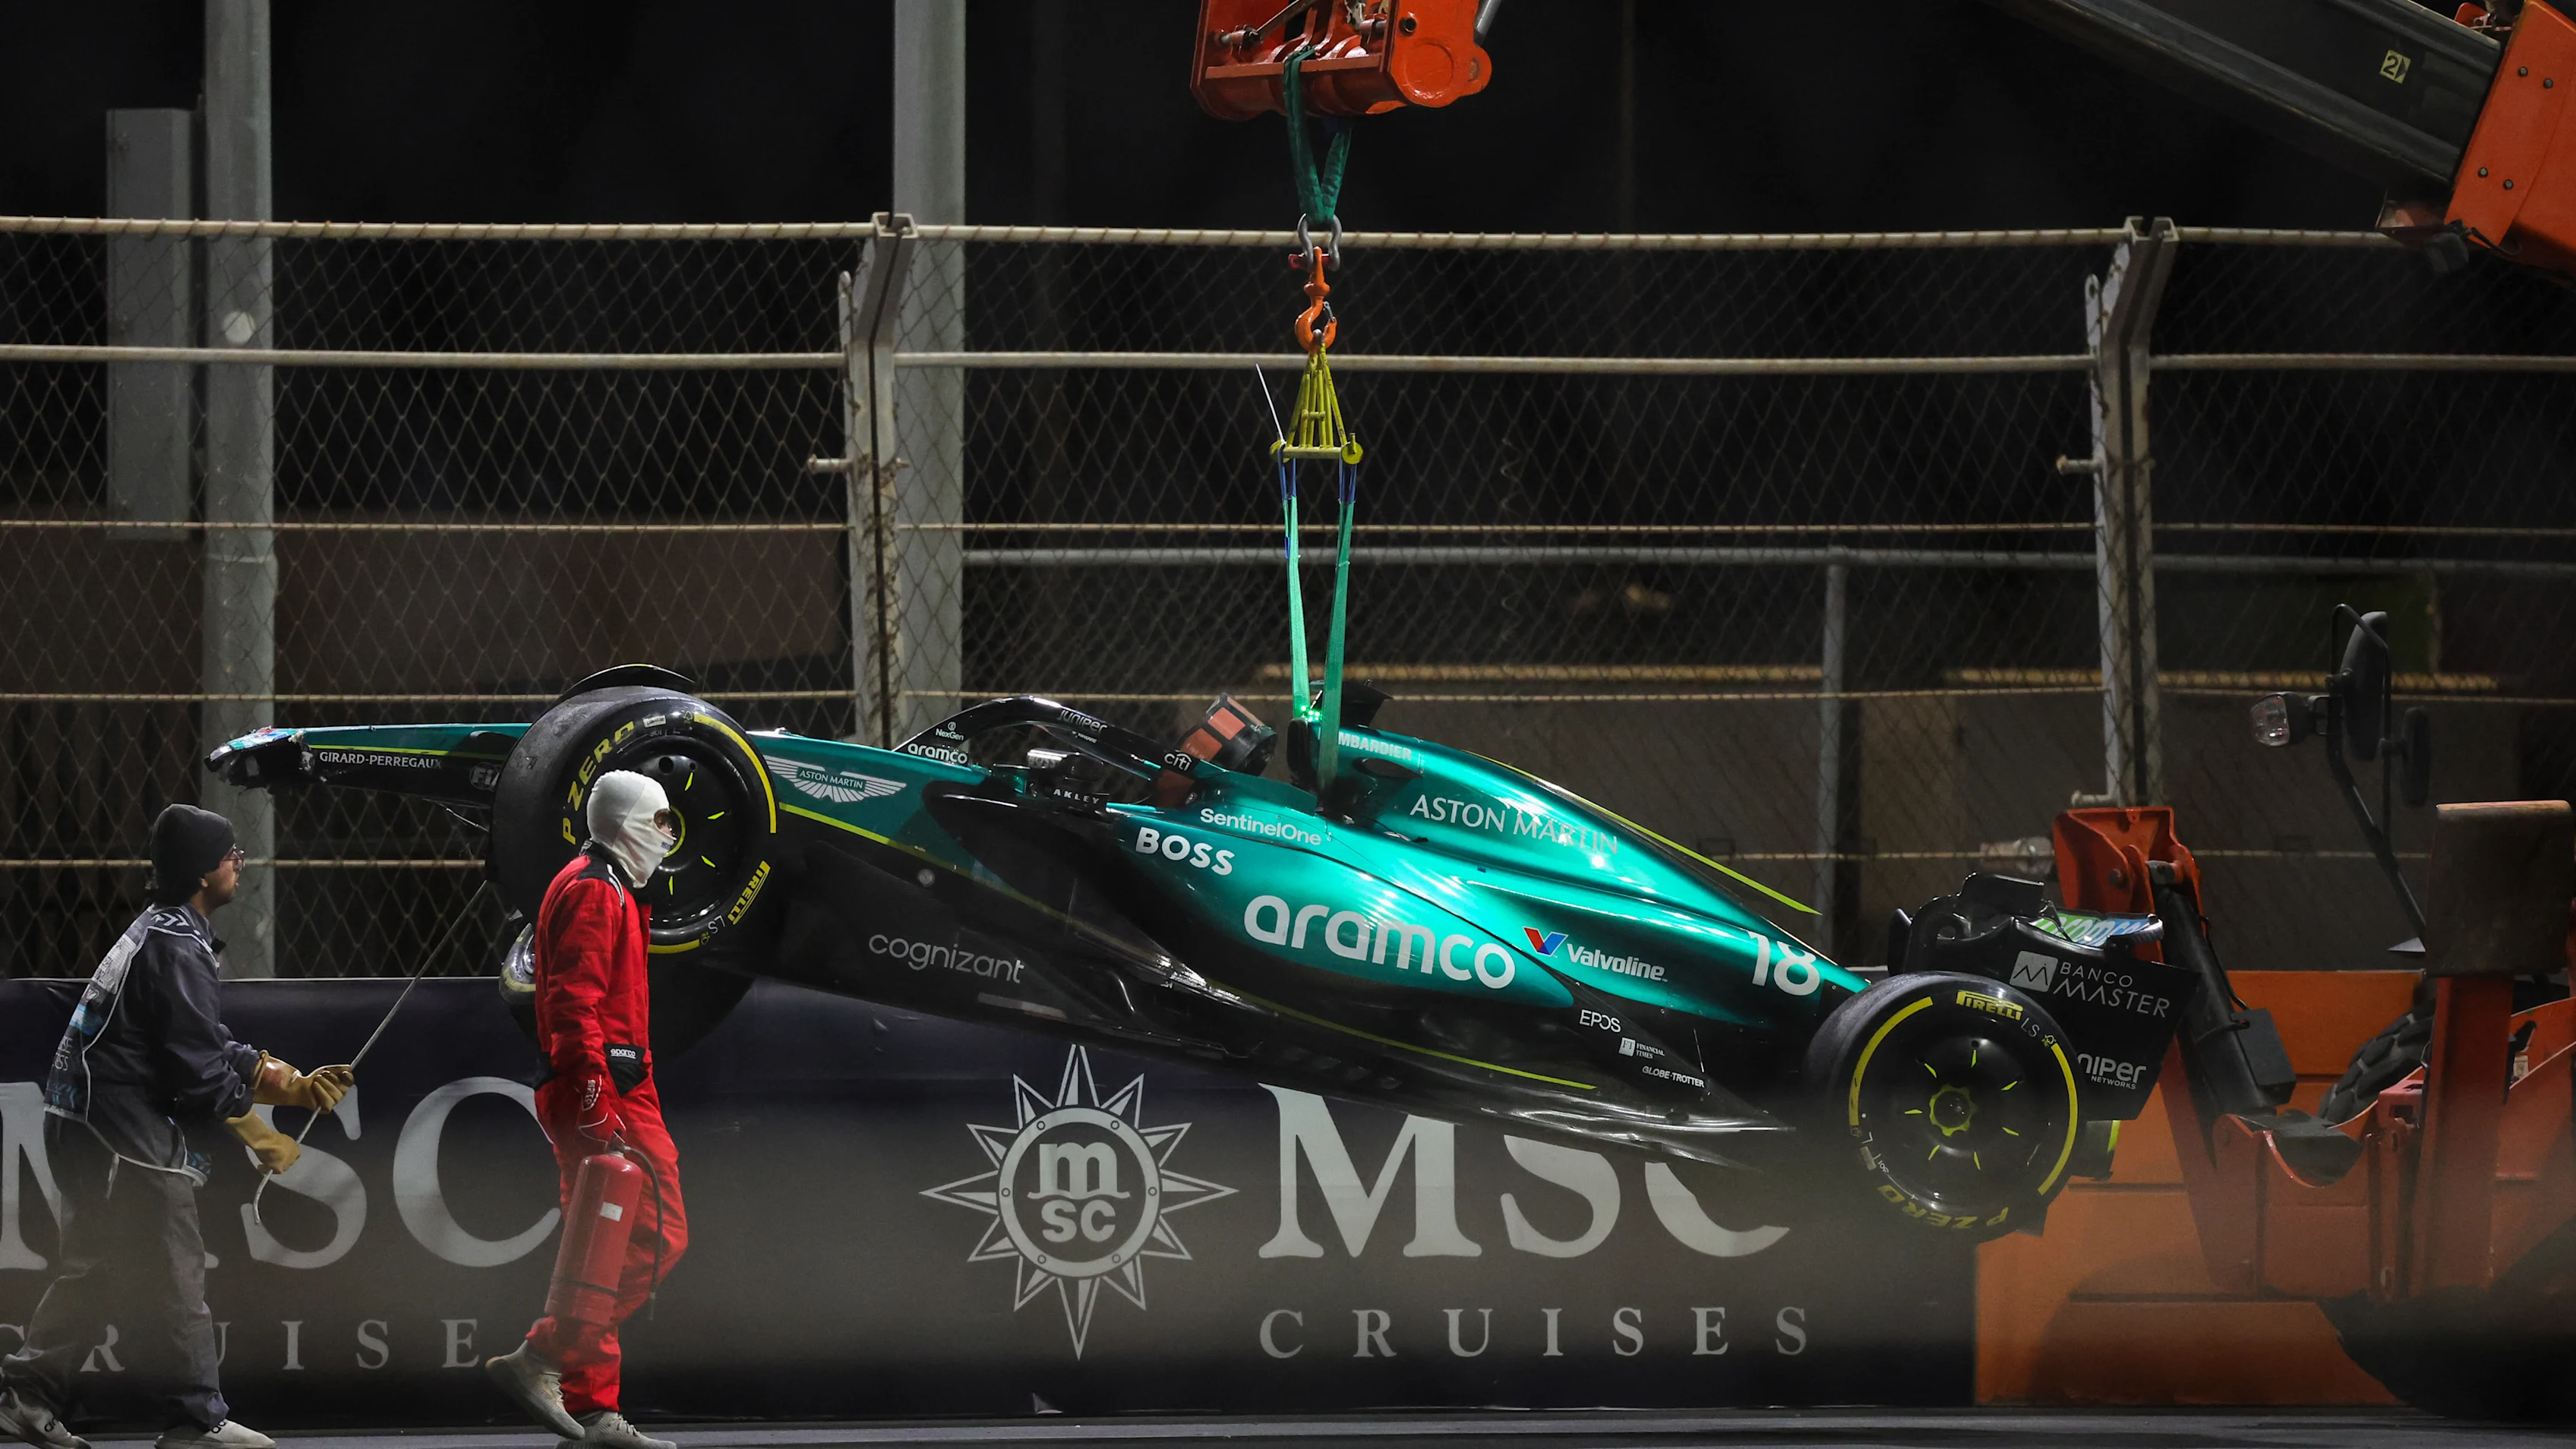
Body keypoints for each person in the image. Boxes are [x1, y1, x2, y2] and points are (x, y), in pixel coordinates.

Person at [0, 805, 351, 1449]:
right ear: (201, 871)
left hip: (88, 1122)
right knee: (174, 1265)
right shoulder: (176, 946)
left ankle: (28, 1395)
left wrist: (294, 1084)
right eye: (229, 854)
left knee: (102, 1266)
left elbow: (208, 1044)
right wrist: (263, 1137)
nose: (239, 863)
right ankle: (197, 1420)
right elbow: (196, 1070)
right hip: (112, 1130)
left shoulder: (167, 933)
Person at [484, 772, 687, 1449]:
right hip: (606, 1087)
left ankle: (594, 1410)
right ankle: (543, 1356)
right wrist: (598, 1095)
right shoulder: (597, 891)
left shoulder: (601, 883)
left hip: (598, 1082)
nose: (668, 832)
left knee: (600, 1248)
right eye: (659, 819)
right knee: (660, 1234)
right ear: (626, 820)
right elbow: (574, 1005)